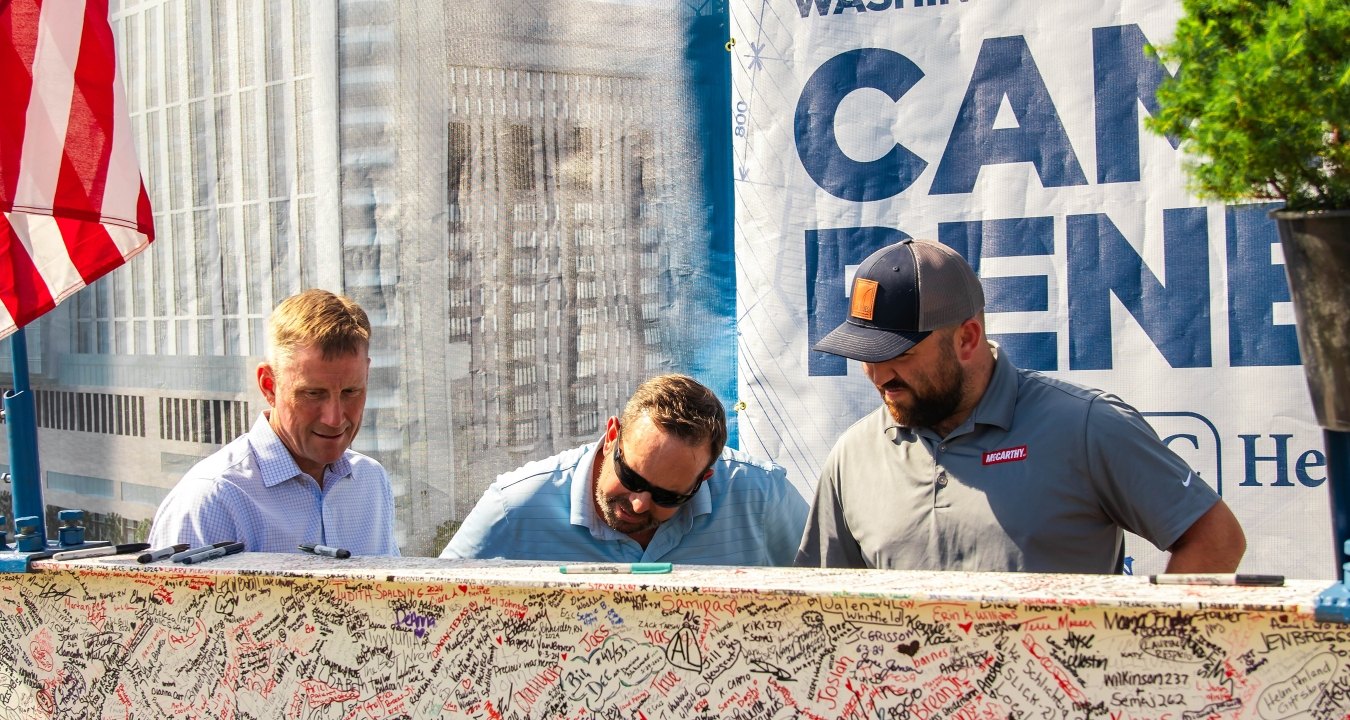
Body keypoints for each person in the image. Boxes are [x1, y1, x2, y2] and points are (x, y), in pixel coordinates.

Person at [797, 238, 1245, 573]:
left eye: (899, 354)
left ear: (967, 338)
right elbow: (824, 607)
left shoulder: (1086, 426)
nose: (879, 376)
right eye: (866, 358)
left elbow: (1216, 540)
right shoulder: (852, 455)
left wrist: (1150, 659)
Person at [441, 374, 806, 565]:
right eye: (631, 478)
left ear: (704, 478)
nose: (639, 505)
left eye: (668, 496)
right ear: (612, 435)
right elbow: (428, 616)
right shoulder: (513, 509)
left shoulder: (760, 497)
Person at [148, 289, 399, 556]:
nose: (334, 419)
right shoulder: (213, 500)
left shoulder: (371, 481)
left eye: (351, 392)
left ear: (367, 376)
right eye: (313, 394)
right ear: (269, 385)